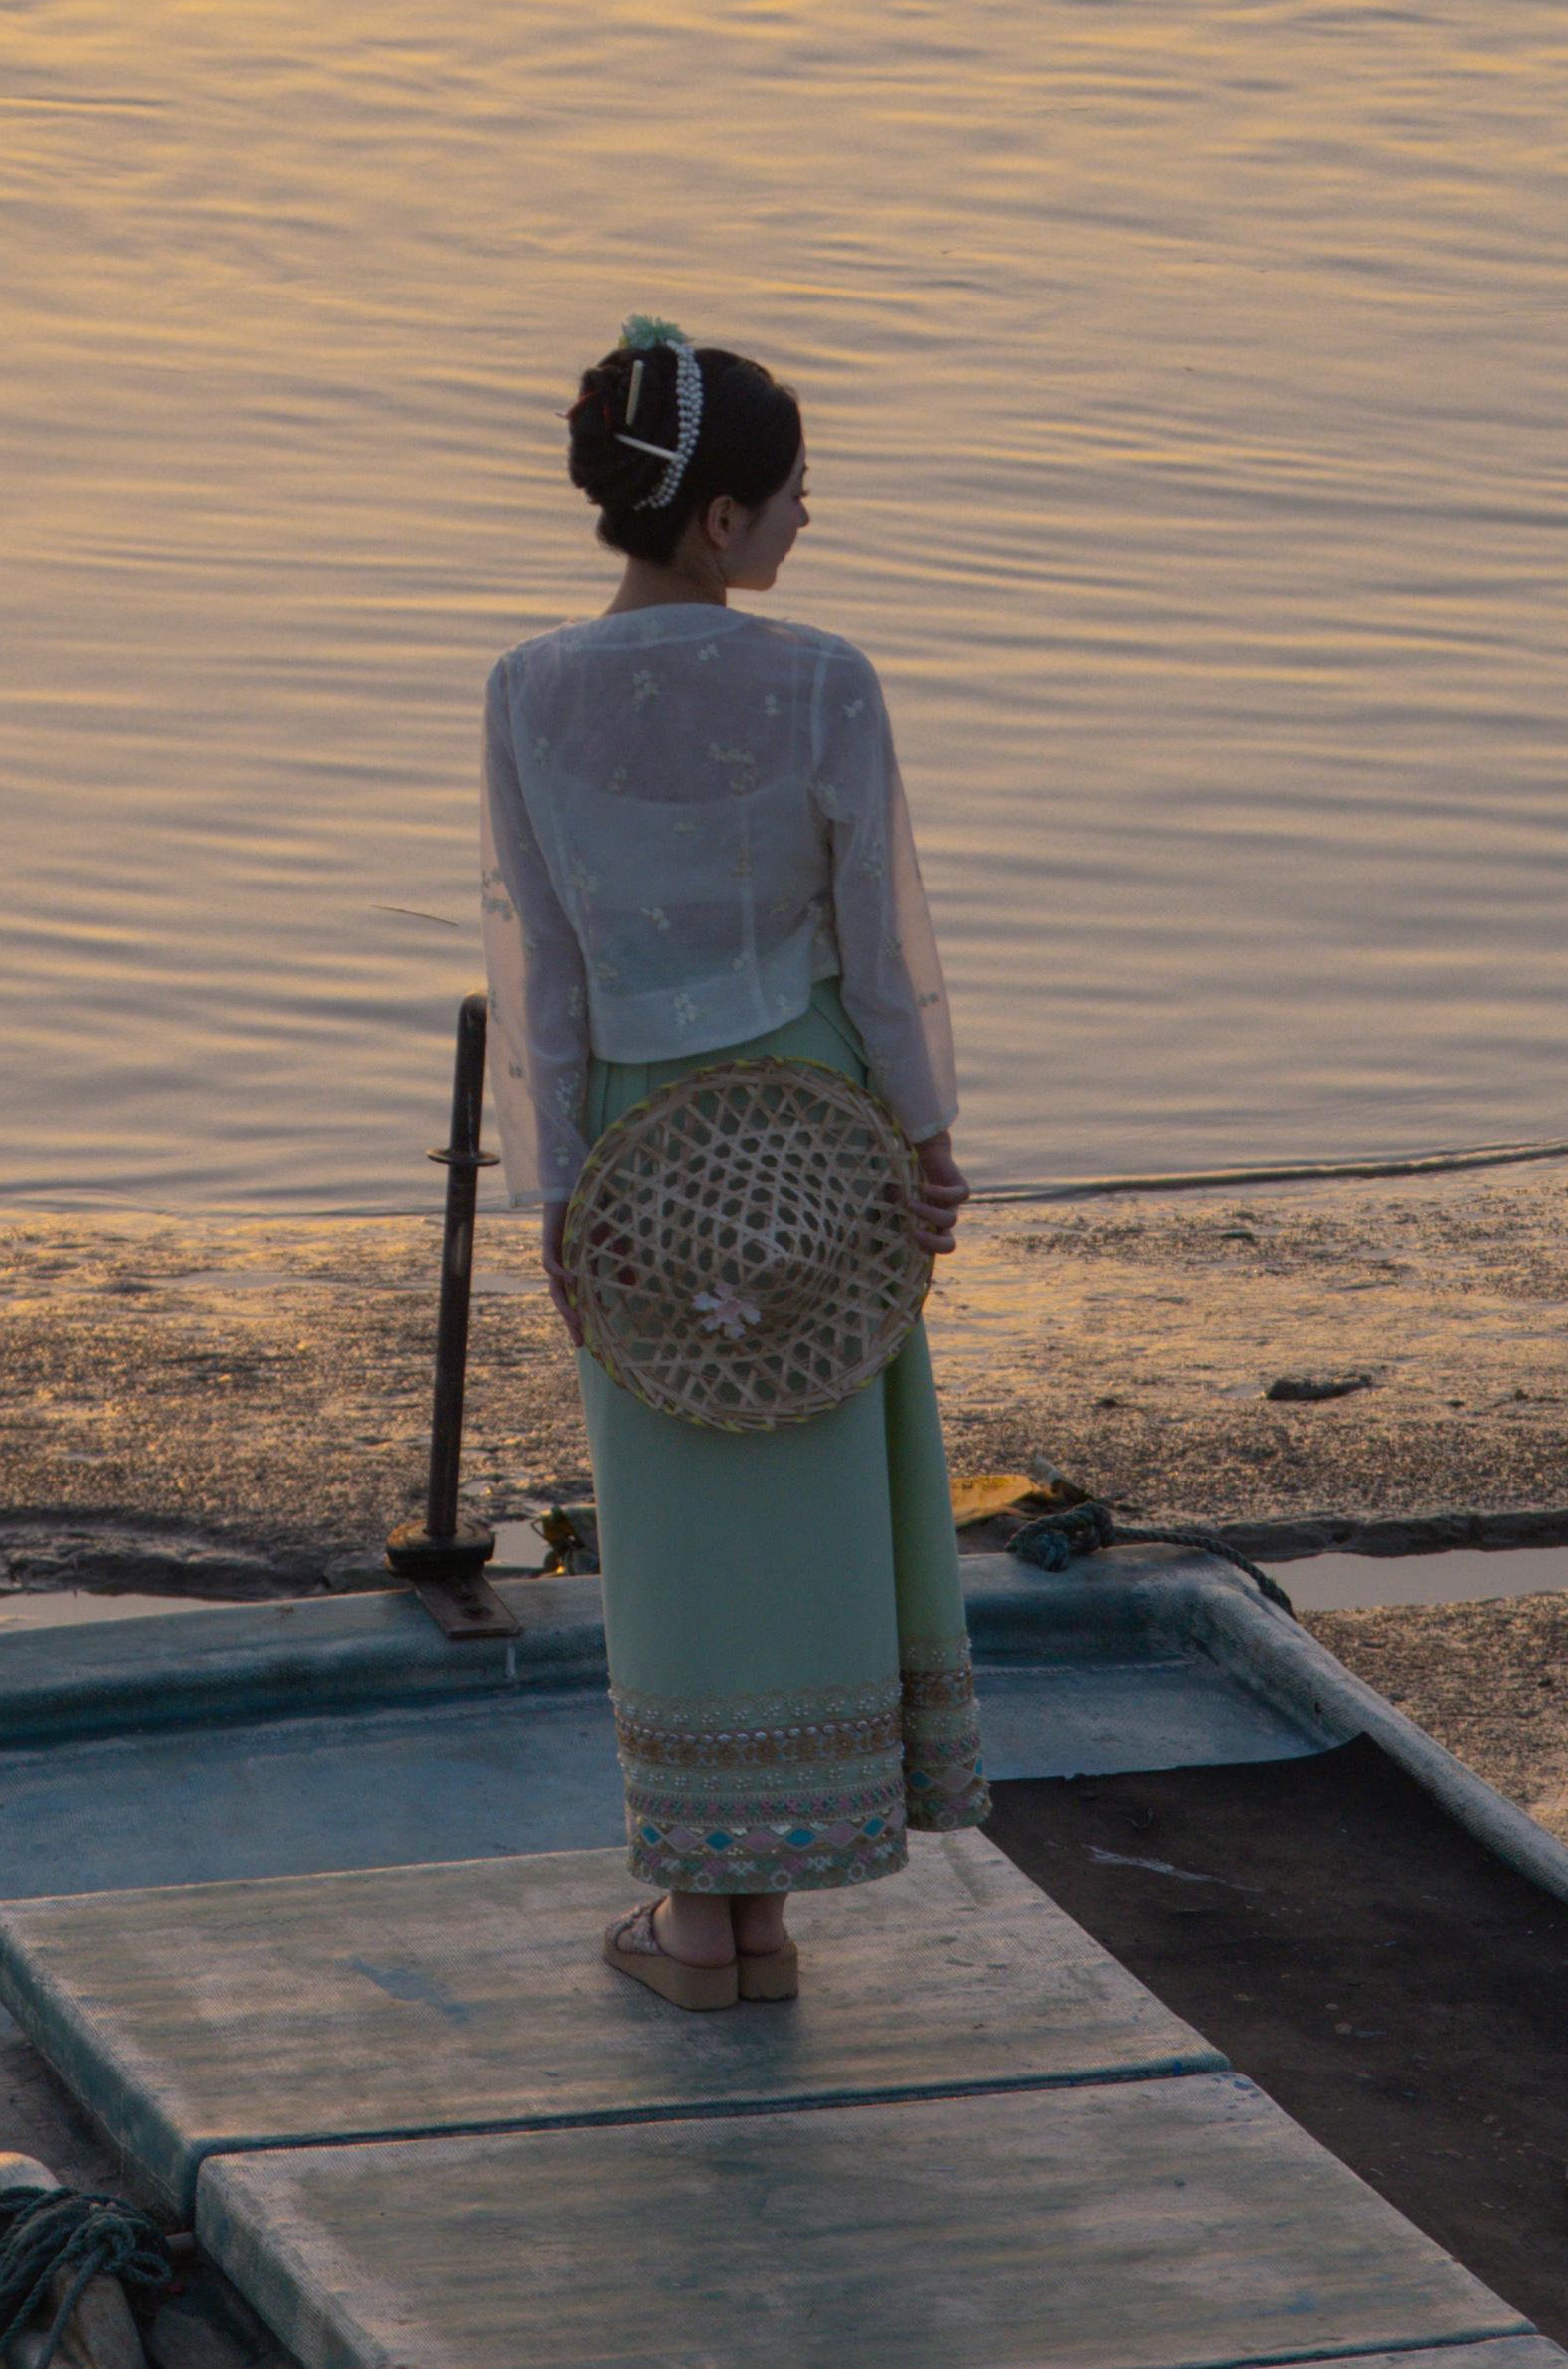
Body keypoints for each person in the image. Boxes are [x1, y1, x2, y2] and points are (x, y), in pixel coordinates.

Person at [480, 316, 978, 2010]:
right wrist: (925, 1134)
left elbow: (540, 967)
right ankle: (771, 1901)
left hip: (644, 1134)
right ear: (715, 519)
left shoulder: (526, 689)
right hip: (812, 1119)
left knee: (680, 1502)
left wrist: (557, 1187)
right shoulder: (823, 678)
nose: (804, 518)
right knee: (814, 1459)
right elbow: (881, 940)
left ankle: (703, 1916)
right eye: (790, 494)